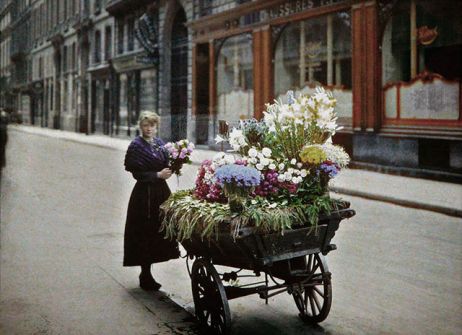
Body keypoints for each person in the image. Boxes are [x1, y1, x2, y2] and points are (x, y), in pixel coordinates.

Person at [123, 111, 180, 291]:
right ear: (141, 126)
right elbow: (136, 173)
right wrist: (157, 175)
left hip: (161, 192)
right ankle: (145, 273)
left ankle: (150, 271)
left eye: (152, 125)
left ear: (156, 127)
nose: (149, 129)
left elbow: (167, 162)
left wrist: (174, 167)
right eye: (146, 125)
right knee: (145, 231)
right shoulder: (136, 146)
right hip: (144, 195)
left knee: (160, 228)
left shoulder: (159, 143)